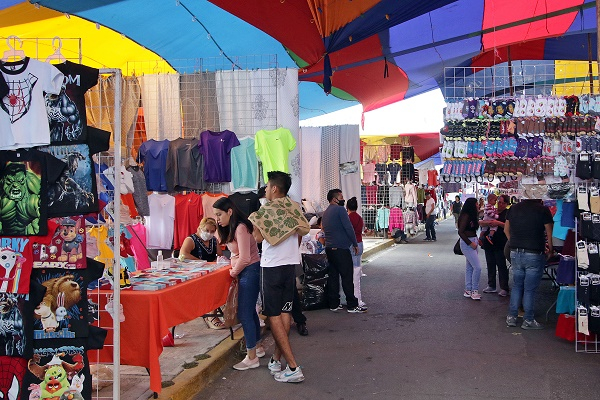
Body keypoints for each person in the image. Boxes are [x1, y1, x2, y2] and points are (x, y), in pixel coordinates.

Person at [248, 171, 310, 383]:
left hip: (272, 265)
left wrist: (257, 226)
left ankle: (293, 367)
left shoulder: (265, 210)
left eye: (267, 186)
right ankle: (276, 359)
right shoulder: (295, 207)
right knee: (285, 312)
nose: (265, 189)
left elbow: (257, 237)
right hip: (289, 265)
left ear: (274, 188)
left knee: (273, 315)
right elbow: (301, 233)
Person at [212, 198, 264, 370]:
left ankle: (252, 357)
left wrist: (233, 272)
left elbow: (245, 258)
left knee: (244, 314)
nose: (217, 219)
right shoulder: (233, 228)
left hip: (249, 271)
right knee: (249, 312)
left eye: (219, 214)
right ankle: (258, 348)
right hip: (248, 271)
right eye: (215, 216)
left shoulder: (241, 228)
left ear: (230, 212)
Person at [505, 198, 553, 330]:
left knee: (517, 285)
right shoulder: (543, 210)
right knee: (530, 289)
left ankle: (512, 317)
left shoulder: (513, 208)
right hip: (534, 252)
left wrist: (514, 241)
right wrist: (551, 249)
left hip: (515, 251)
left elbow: (506, 230)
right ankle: (528, 319)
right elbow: (549, 233)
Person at [321, 189, 367, 313]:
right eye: (341, 197)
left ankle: (334, 304)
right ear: (334, 199)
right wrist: (354, 243)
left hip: (330, 248)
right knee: (347, 276)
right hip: (341, 248)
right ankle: (352, 304)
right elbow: (348, 227)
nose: (342, 199)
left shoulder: (326, 213)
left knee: (333, 276)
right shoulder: (340, 210)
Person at [179, 217, 225, 329]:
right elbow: (183, 255)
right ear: (199, 228)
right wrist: (202, 262)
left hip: (211, 271)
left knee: (223, 281)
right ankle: (211, 315)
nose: (209, 233)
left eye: (212, 231)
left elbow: (219, 255)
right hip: (195, 272)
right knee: (214, 285)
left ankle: (214, 311)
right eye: (207, 230)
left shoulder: (213, 240)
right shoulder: (191, 240)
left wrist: (215, 262)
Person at [479, 194, 510, 296]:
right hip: (489, 242)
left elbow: (509, 226)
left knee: (501, 265)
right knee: (490, 263)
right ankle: (491, 285)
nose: (500, 204)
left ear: (506, 204)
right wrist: (488, 223)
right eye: (499, 202)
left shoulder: (507, 213)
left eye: (502, 203)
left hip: (500, 242)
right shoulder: (492, 210)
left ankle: (504, 287)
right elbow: (482, 221)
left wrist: (498, 223)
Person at [458, 197, 482, 300]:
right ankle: (474, 290)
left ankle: (468, 289)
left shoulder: (472, 215)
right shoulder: (466, 216)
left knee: (470, 267)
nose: (477, 205)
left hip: (473, 240)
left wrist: (476, 240)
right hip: (467, 243)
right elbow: (460, 231)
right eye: (476, 204)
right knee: (477, 267)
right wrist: (470, 243)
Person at [346, 197, 366, 308]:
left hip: (352, 245)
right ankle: (357, 296)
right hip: (360, 243)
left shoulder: (348, 218)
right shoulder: (359, 218)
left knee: (352, 273)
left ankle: (354, 297)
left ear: (347, 207)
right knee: (357, 269)